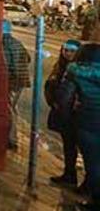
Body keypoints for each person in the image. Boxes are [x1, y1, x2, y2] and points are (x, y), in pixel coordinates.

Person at [66, 42, 100, 211]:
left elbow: (66, 97)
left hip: (88, 121)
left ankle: (97, 200)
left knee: (93, 163)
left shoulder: (75, 72)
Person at [47, 39, 83, 187]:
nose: (68, 54)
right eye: (65, 50)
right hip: (63, 112)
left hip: (74, 114)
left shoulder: (78, 70)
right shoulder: (60, 66)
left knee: (78, 146)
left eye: (71, 51)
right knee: (69, 145)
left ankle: (85, 181)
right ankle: (69, 174)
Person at [1, 19, 31, 150]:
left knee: (8, 109)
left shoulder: (3, 43)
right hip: (21, 80)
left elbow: (6, 64)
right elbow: (28, 58)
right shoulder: (16, 42)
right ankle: (11, 137)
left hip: (12, 81)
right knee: (12, 107)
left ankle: (11, 139)